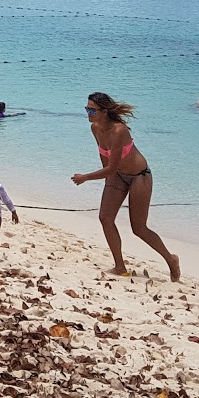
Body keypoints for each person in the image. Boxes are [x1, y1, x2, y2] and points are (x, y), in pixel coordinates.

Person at [72, 91, 180, 280]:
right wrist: (107, 181)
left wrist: (86, 177)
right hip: (117, 176)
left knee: (138, 228)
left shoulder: (119, 131)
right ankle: (120, 266)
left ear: (105, 111)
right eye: (87, 108)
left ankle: (171, 259)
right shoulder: (95, 128)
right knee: (105, 217)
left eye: (92, 110)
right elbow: (104, 157)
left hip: (139, 176)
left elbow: (111, 168)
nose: (88, 113)